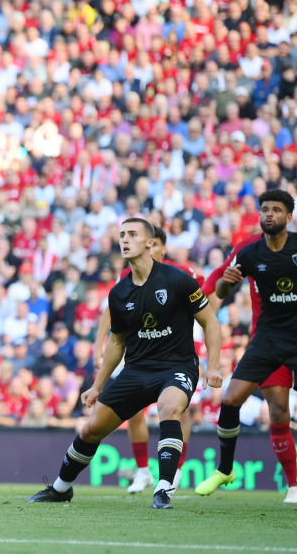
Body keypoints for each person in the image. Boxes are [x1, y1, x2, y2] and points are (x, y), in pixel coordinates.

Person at [27, 217, 221, 510]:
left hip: (177, 366)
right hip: (136, 371)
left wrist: (215, 364)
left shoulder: (178, 280)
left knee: (168, 409)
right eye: (122, 235)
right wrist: (98, 385)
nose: (125, 240)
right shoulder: (119, 293)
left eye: (132, 234)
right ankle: (61, 488)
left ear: (150, 243)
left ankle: (164, 488)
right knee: (93, 429)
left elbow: (210, 322)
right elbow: (117, 342)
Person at [195, 190, 297, 503]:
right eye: (265, 209)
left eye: (276, 210)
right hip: (267, 339)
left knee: (280, 411)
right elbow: (223, 285)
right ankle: (228, 469)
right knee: (232, 399)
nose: (269, 215)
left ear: (288, 217)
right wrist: (224, 282)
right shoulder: (249, 250)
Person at [93, 224, 203, 494]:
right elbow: (111, 313)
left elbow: (206, 309)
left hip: (180, 348)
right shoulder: (128, 276)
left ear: (156, 246)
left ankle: (175, 469)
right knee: (133, 410)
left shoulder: (182, 274)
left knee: (178, 408)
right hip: (141, 350)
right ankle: (143, 470)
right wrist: (99, 345)